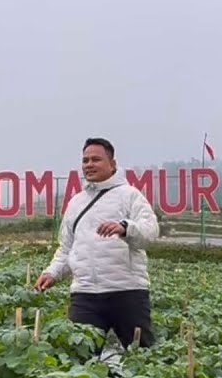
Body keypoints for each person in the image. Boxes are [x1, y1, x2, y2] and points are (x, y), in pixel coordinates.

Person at [35, 137, 160, 348]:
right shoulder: (76, 203)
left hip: (126, 292)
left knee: (141, 355)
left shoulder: (129, 195)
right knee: (80, 357)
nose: (89, 165)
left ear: (112, 164)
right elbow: (67, 247)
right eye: (85, 160)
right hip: (84, 294)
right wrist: (52, 273)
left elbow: (151, 231)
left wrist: (125, 228)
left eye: (96, 159)